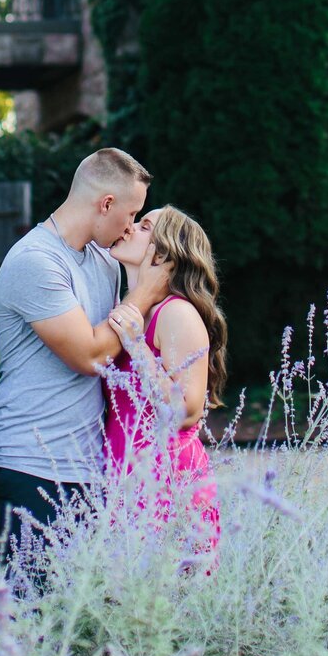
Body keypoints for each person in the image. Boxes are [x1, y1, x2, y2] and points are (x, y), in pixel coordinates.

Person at [0, 146, 168, 559]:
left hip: (84, 469)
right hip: (24, 466)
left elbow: (121, 340)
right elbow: (90, 356)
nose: (130, 225)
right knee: (18, 617)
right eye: (132, 214)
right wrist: (146, 293)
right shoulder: (36, 261)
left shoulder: (104, 259)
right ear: (106, 203)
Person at [103, 204, 226, 551]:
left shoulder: (176, 313)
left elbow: (187, 411)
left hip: (169, 485)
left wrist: (136, 345)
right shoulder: (135, 311)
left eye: (143, 226)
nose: (128, 228)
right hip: (126, 482)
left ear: (164, 255)